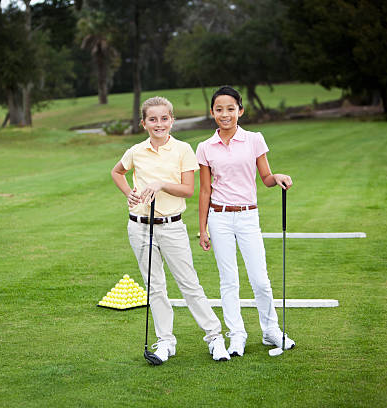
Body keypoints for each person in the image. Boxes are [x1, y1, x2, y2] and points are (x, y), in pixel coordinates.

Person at [111, 96, 230, 363]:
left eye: (164, 118)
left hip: (172, 226)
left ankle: (214, 337)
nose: (159, 124)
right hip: (139, 227)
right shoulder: (136, 151)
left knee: (189, 284)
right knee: (154, 288)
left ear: (172, 121)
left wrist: (161, 184)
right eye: (152, 119)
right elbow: (117, 172)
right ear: (144, 123)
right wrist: (129, 193)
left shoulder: (183, 150)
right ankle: (165, 341)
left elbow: (188, 190)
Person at [196, 86, 296, 357]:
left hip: (248, 216)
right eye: (219, 109)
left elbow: (265, 177)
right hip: (219, 217)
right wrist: (202, 228)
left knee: (260, 279)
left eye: (230, 109)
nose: (225, 114)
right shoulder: (205, 147)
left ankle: (270, 330)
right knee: (229, 281)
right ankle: (237, 334)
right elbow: (205, 190)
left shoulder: (254, 139)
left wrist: (277, 178)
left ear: (240, 110)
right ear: (212, 112)